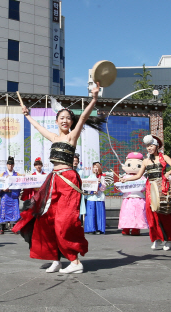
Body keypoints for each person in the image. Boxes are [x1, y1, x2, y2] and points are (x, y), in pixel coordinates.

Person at [12, 82, 103, 274]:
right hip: (53, 181)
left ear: (71, 122)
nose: (65, 120)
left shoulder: (72, 137)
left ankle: (75, 261)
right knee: (47, 220)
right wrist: (27, 115)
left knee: (65, 221)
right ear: (57, 121)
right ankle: (55, 259)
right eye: (62, 118)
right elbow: (37, 127)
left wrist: (94, 98)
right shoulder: (54, 138)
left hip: (69, 180)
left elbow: (84, 116)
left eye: (68, 118)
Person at [121, 135, 171, 251]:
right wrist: (126, 179)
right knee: (152, 215)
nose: (149, 148)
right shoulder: (145, 161)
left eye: (151, 146)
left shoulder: (164, 157)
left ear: (156, 146)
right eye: (147, 146)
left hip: (163, 185)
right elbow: (139, 175)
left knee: (165, 213)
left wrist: (167, 175)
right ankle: (156, 238)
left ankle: (169, 239)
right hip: (151, 188)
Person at [118, 152, 148, 236]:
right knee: (127, 214)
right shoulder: (125, 177)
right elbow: (121, 188)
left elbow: (145, 187)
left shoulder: (142, 177)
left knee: (138, 214)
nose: (134, 167)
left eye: (138, 166)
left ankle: (136, 228)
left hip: (139, 198)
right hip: (128, 198)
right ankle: (125, 228)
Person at [0, 157, 21, 234]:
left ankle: (15, 227)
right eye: (9, 164)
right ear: (7, 165)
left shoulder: (17, 175)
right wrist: (2, 189)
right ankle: (2, 227)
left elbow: (20, 185)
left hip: (13, 195)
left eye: (11, 164)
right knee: (4, 211)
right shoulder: (2, 175)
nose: (10, 166)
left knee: (15, 211)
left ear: (13, 165)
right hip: (5, 196)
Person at [83, 162, 107, 234]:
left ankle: (99, 228)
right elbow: (87, 187)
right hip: (91, 198)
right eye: (94, 167)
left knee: (99, 214)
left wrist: (100, 185)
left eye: (97, 167)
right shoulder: (90, 177)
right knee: (91, 214)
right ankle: (91, 228)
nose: (95, 169)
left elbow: (104, 188)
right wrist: (92, 192)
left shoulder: (102, 177)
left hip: (99, 198)